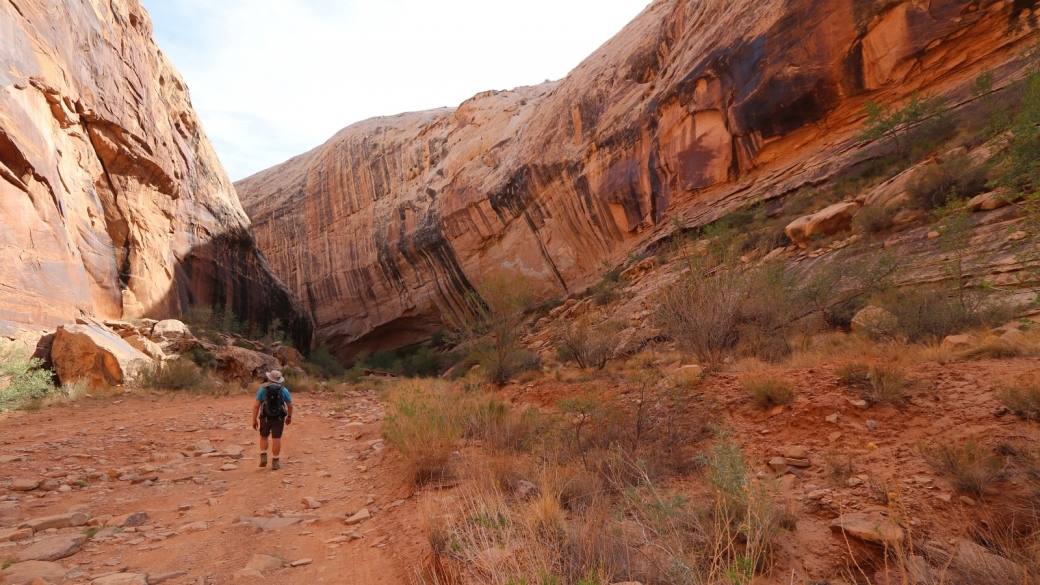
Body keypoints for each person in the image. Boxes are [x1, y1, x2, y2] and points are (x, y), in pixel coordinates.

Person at [252, 370, 293, 470]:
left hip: (265, 417)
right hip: (278, 417)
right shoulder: (284, 390)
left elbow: (256, 406)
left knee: (264, 436)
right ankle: (275, 462)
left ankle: (263, 456)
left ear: (269, 378)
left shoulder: (263, 389)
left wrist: (254, 420)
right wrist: (289, 417)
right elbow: (290, 406)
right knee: (276, 438)